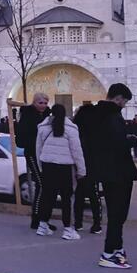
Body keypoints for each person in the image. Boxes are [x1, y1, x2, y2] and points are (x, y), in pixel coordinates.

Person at [90, 84, 137, 269]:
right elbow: (116, 143)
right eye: (124, 101)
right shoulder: (111, 115)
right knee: (118, 213)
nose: (124, 105)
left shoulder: (98, 114)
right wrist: (132, 140)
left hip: (108, 171)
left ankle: (117, 248)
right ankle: (109, 253)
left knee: (116, 213)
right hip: (118, 171)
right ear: (118, 98)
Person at [34, 104, 86, 240]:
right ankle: (68, 229)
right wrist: (81, 169)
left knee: (47, 196)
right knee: (66, 199)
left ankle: (42, 226)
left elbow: (38, 148)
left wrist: (40, 166)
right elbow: (77, 151)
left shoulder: (43, 127)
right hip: (64, 167)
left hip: (47, 165)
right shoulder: (71, 129)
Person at [17, 93, 51, 230]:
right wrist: (35, 142)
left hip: (46, 154)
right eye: (40, 102)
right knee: (41, 184)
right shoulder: (27, 116)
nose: (43, 105)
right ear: (34, 102)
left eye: (45, 103)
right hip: (32, 153)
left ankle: (43, 219)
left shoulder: (49, 116)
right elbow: (21, 138)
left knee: (46, 186)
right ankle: (36, 218)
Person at [73, 103, 105, 234]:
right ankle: (96, 224)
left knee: (79, 195)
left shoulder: (77, 130)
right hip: (93, 165)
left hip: (80, 164)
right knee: (94, 195)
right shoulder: (98, 130)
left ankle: (78, 223)